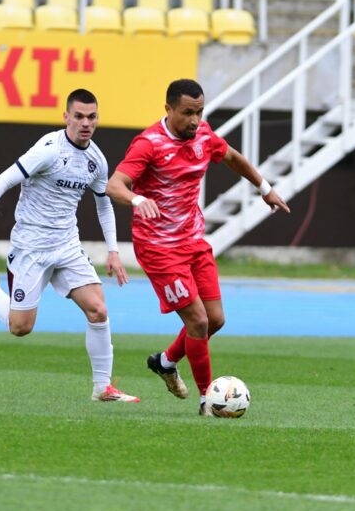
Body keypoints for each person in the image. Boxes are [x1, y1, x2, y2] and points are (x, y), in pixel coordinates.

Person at [106, 78, 290, 416]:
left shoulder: (204, 135)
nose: (195, 120)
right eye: (187, 113)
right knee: (198, 322)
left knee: (215, 319)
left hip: (193, 241)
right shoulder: (149, 144)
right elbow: (114, 185)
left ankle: (165, 362)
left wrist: (265, 189)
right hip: (159, 248)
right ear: (169, 109)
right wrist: (137, 199)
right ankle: (209, 400)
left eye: (200, 112)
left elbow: (232, 157)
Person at [0, 89, 140, 403]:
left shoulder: (96, 160)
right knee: (20, 328)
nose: (86, 123)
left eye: (91, 117)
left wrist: (113, 250)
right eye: (79, 116)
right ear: (66, 117)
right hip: (31, 247)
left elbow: (103, 204)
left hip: (67, 245)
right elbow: (4, 180)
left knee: (98, 310)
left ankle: (102, 388)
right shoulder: (49, 149)